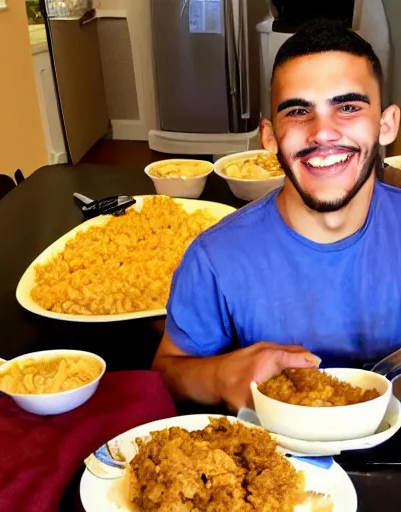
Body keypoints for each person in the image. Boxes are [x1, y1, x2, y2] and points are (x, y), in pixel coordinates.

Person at [152, 19, 401, 412]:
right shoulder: (215, 258)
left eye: (348, 107)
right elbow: (166, 374)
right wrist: (222, 376)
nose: (322, 133)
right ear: (269, 137)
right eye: (299, 111)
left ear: (386, 125)